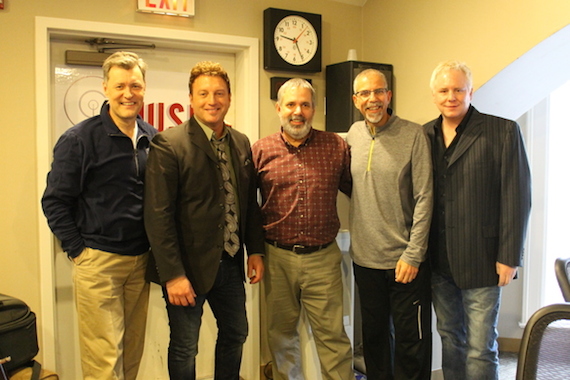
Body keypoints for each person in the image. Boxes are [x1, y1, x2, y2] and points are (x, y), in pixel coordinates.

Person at [144, 61, 265, 379]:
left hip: (230, 264)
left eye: (219, 93)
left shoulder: (240, 142)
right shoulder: (169, 144)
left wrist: (255, 251)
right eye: (204, 93)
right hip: (187, 270)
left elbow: (248, 202)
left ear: (229, 97)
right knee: (185, 347)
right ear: (191, 98)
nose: (212, 100)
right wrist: (173, 275)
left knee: (236, 334)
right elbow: (158, 216)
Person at [41, 51, 156, 380]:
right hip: (99, 263)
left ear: (144, 88)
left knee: (132, 355)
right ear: (105, 88)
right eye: (120, 86)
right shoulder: (79, 139)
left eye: (135, 85)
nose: (128, 94)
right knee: (103, 363)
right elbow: (55, 201)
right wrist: (79, 251)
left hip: (140, 263)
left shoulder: (152, 137)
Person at [424, 60, 531, 380]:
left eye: (458, 89)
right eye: (443, 90)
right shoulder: (423, 135)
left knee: (481, 346)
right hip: (438, 261)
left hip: (484, 260)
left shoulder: (502, 130)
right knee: (450, 339)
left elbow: (517, 197)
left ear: (471, 91)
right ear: (434, 95)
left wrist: (509, 257)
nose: (451, 96)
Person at [252, 78, 354, 380]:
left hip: (323, 257)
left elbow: (359, 192)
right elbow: (247, 208)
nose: (298, 111)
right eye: (291, 105)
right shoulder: (261, 150)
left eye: (305, 105)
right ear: (278, 108)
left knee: (333, 338)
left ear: (314, 109)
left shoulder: (336, 146)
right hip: (277, 257)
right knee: (282, 338)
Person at [346, 68, 433, 380]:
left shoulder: (413, 134)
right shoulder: (353, 135)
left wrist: (413, 254)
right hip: (365, 260)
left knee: (412, 344)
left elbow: (425, 197)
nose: (373, 99)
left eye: (379, 92)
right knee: (375, 340)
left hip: (404, 262)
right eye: (365, 94)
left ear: (389, 96)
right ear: (356, 100)